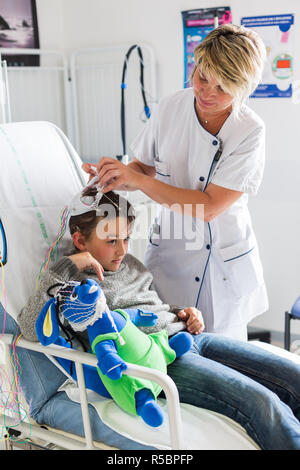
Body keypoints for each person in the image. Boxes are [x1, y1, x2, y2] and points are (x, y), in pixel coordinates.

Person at [16, 187, 300, 450]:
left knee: (292, 377)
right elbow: (29, 328)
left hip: (187, 337)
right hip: (163, 362)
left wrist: (182, 312)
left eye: (126, 238)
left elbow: (152, 308)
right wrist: (67, 266)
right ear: (79, 240)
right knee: (264, 404)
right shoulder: (72, 286)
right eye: (112, 240)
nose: (122, 250)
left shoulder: (130, 264)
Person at [82, 24, 269, 341]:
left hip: (221, 267)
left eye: (223, 88)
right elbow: (143, 167)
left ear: (242, 87)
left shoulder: (249, 130)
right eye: (203, 78)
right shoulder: (170, 108)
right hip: (172, 253)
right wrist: (115, 175)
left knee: (223, 356)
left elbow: (209, 208)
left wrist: (136, 178)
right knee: (167, 344)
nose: (208, 92)